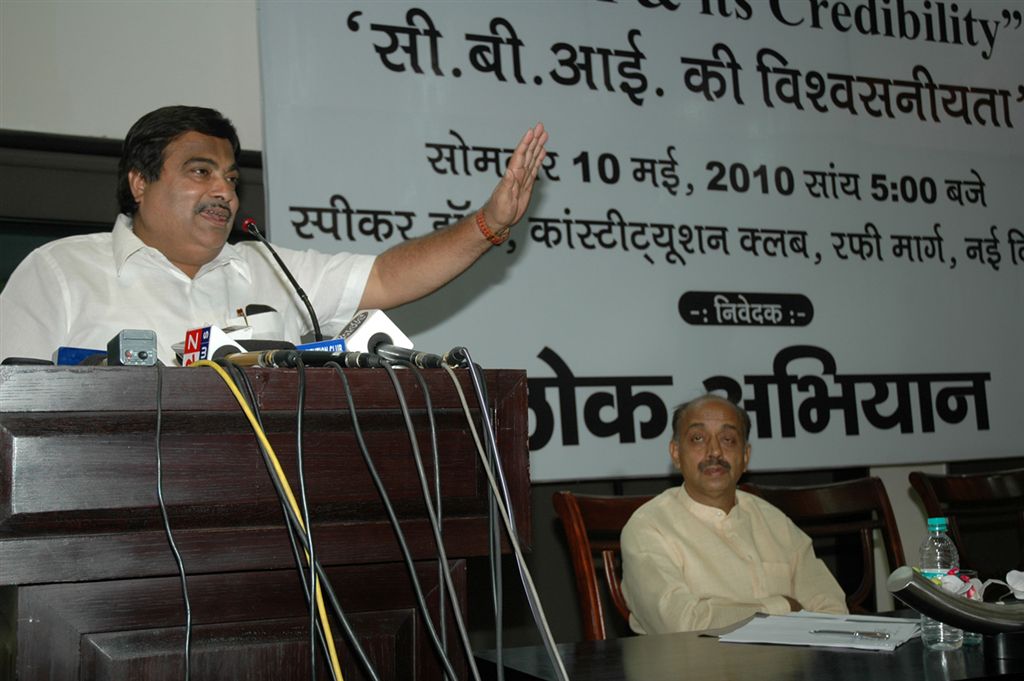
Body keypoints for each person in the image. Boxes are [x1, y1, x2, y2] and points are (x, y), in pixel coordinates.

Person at [0, 105, 548, 364]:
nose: (225, 191)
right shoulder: (61, 272)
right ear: (140, 182)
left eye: (232, 178)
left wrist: (488, 224)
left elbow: (387, 276)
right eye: (200, 172)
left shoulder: (267, 268)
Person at [620, 393, 848, 633]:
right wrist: (783, 608)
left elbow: (833, 611)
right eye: (698, 438)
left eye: (728, 440)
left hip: (789, 666)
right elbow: (680, 623)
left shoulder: (774, 521)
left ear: (746, 456)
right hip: (694, 667)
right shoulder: (648, 527)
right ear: (676, 453)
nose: (715, 452)